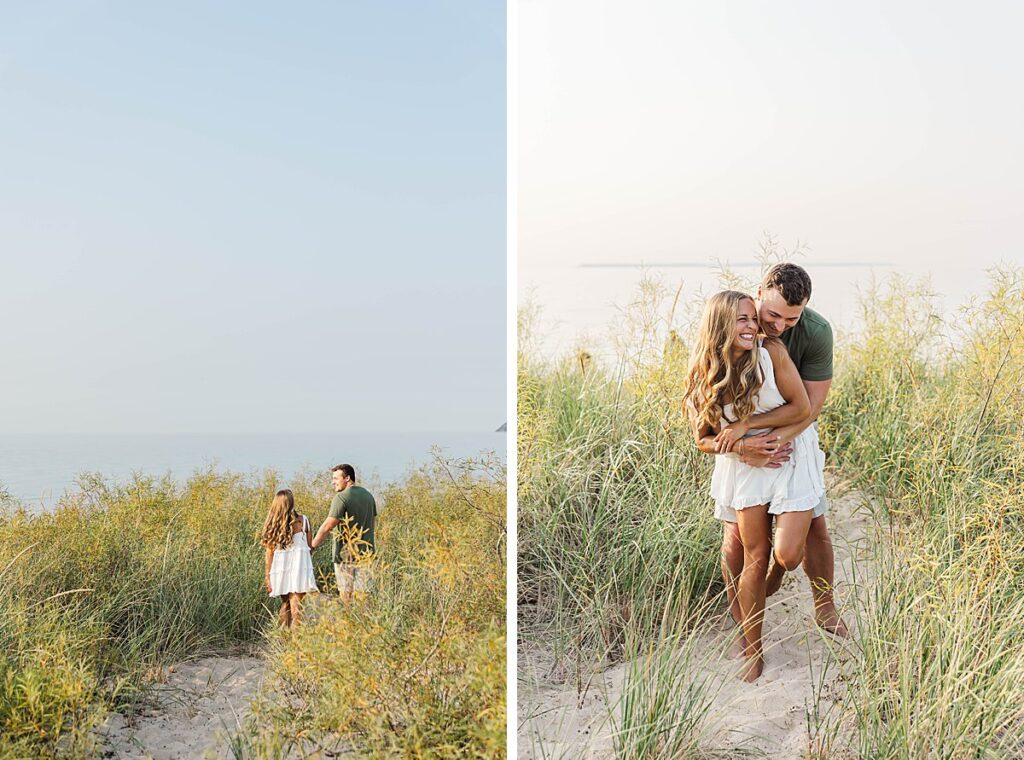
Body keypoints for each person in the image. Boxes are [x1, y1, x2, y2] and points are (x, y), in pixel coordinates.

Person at [683, 290, 824, 681]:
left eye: (752, 318)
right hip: (747, 467)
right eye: (742, 320)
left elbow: (801, 408)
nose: (751, 326)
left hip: (787, 456)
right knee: (752, 556)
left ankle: (780, 575)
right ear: (720, 326)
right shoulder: (706, 372)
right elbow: (703, 438)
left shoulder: (771, 352)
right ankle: (753, 648)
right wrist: (744, 447)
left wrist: (747, 426)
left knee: (789, 554)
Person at [715, 263, 849, 638]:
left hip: (793, 433)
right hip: (741, 447)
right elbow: (705, 403)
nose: (778, 325)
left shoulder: (816, 332)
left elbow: (810, 408)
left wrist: (769, 439)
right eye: (772, 314)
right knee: (736, 536)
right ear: (759, 292)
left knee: (815, 527)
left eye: (791, 318)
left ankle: (824, 607)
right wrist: (742, 448)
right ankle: (740, 616)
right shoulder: (736, 319)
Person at [310, 464, 377, 603]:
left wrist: (312, 546)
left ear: (347, 478)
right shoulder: (369, 496)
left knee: (346, 597)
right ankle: (363, 624)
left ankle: (348, 624)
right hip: (367, 555)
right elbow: (372, 523)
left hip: (345, 556)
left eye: (336, 478)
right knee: (363, 598)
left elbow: (328, 525)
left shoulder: (341, 497)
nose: (333, 482)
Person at [261, 488, 319, 629]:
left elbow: (269, 553)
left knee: (286, 603)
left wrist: (268, 576)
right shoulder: (304, 521)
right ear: (291, 502)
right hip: (299, 567)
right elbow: (310, 547)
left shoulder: (273, 524)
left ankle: (283, 640)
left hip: (280, 568)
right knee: (296, 606)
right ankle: (294, 643)